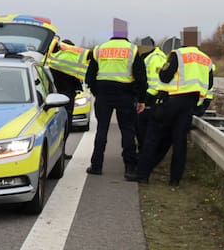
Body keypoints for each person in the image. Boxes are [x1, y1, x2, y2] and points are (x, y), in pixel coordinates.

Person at [130, 26, 214, 187]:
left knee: (152, 138)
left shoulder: (178, 55)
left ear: (184, 40)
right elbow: (209, 84)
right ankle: (175, 180)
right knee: (179, 142)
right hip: (189, 105)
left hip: (170, 101)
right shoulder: (206, 60)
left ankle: (142, 175)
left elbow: (165, 76)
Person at [84, 18, 146, 176]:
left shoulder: (99, 49)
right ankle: (130, 168)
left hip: (103, 94)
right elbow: (141, 77)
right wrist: (141, 99)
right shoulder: (133, 50)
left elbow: (89, 77)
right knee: (127, 131)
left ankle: (96, 166)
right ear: (126, 33)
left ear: (113, 32)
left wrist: (97, 92)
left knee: (101, 130)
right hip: (125, 94)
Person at [46, 37, 89, 159]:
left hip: (53, 97)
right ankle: (61, 151)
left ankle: (57, 151)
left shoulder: (53, 58)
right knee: (66, 124)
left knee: (57, 126)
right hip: (67, 96)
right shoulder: (74, 60)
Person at [134, 36, 166, 154]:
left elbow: (156, 82)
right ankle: (144, 152)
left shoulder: (156, 58)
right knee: (139, 127)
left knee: (144, 129)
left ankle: (145, 154)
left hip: (152, 99)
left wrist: (145, 98)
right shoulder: (147, 56)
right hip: (147, 97)